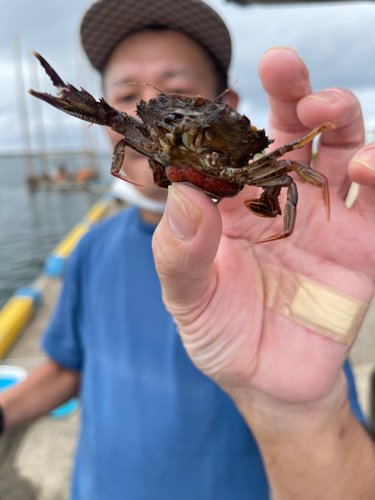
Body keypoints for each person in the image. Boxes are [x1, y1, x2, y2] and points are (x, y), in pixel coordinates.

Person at [1, 0, 375, 498]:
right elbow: (66, 367)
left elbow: (290, 171)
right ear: (116, 121)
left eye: (179, 89)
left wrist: (300, 416)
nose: (161, 108)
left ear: (233, 107)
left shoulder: (288, 269)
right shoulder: (91, 251)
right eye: (130, 96)